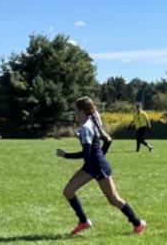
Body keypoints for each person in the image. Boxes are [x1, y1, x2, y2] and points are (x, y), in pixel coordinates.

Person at [56, 96, 146, 235]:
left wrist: (65, 155)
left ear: (82, 112)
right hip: (90, 166)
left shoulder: (86, 128)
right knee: (68, 191)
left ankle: (138, 223)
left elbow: (87, 153)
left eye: (75, 110)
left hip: (98, 167)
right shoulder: (92, 120)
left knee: (113, 199)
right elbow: (107, 141)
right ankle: (83, 221)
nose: (73, 113)